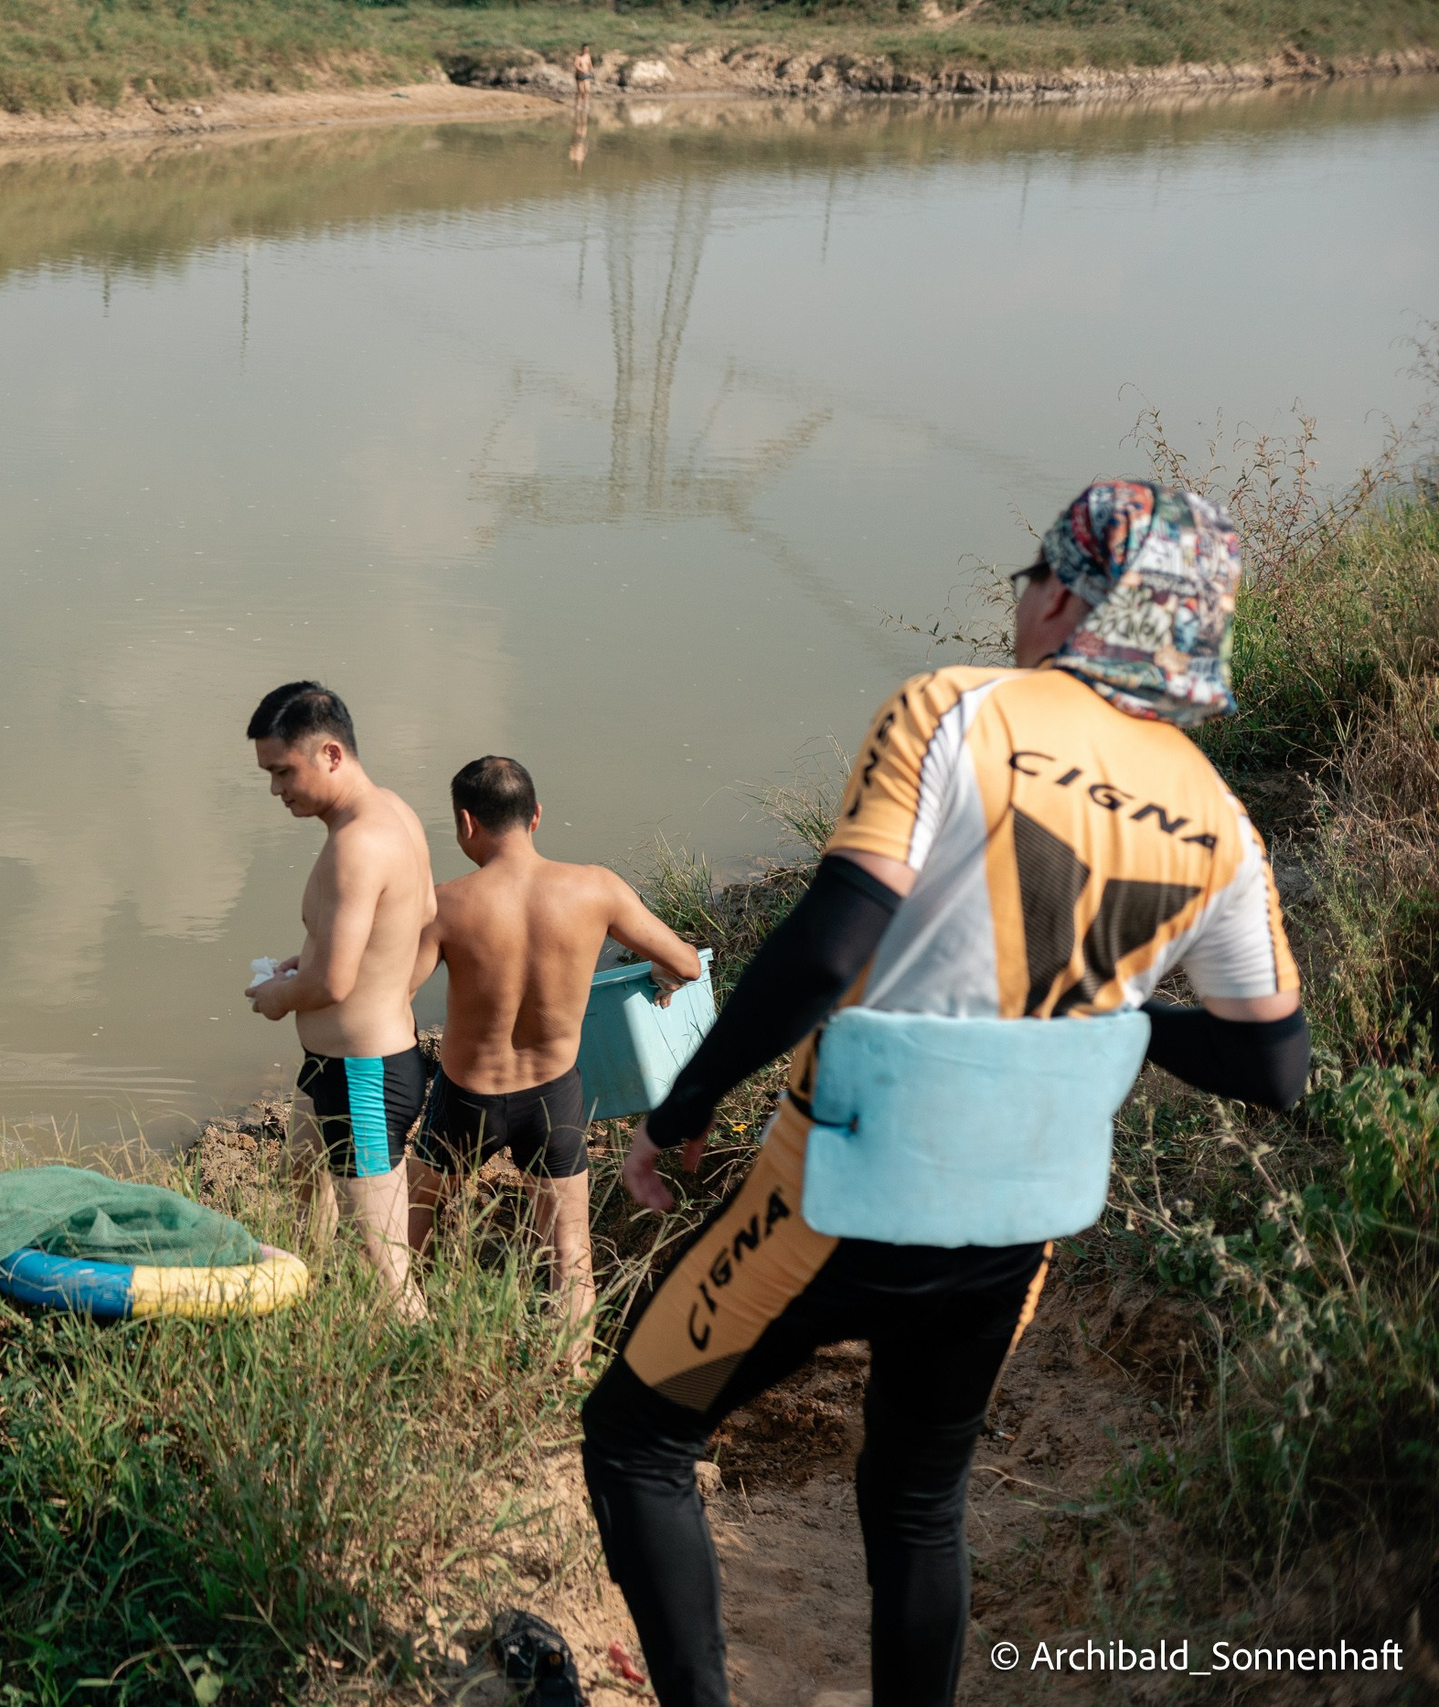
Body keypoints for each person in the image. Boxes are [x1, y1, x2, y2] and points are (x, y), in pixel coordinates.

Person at [579, 481, 1310, 1707]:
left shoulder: (953, 709)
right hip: (1020, 1217)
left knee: (638, 1436)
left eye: (1031, 572)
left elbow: (824, 946)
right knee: (918, 1500)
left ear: (1072, 600)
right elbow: (1273, 1066)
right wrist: (1126, 1018)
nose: (1017, 598)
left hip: (848, 1187)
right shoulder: (1218, 822)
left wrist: (681, 1107)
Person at [407, 755, 702, 1355]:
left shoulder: (446, 905)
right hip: (553, 1095)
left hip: (467, 1096)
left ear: (465, 824)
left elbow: (392, 999)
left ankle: (425, 1346)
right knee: (570, 1256)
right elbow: (687, 963)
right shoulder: (596, 888)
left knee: (410, 1233)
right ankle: (569, 1381)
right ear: (536, 815)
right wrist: (662, 981)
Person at [244, 681, 437, 1306]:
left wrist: (282, 995)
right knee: (303, 1180)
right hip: (344, 1064)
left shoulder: (355, 844)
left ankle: (427, 1376)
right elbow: (422, 916)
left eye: (282, 772)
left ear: (330, 754)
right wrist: (327, 956)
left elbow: (331, 985)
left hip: (364, 1075)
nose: (276, 790)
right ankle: (310, 1308)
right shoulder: (394, 812)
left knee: (387, 1269)